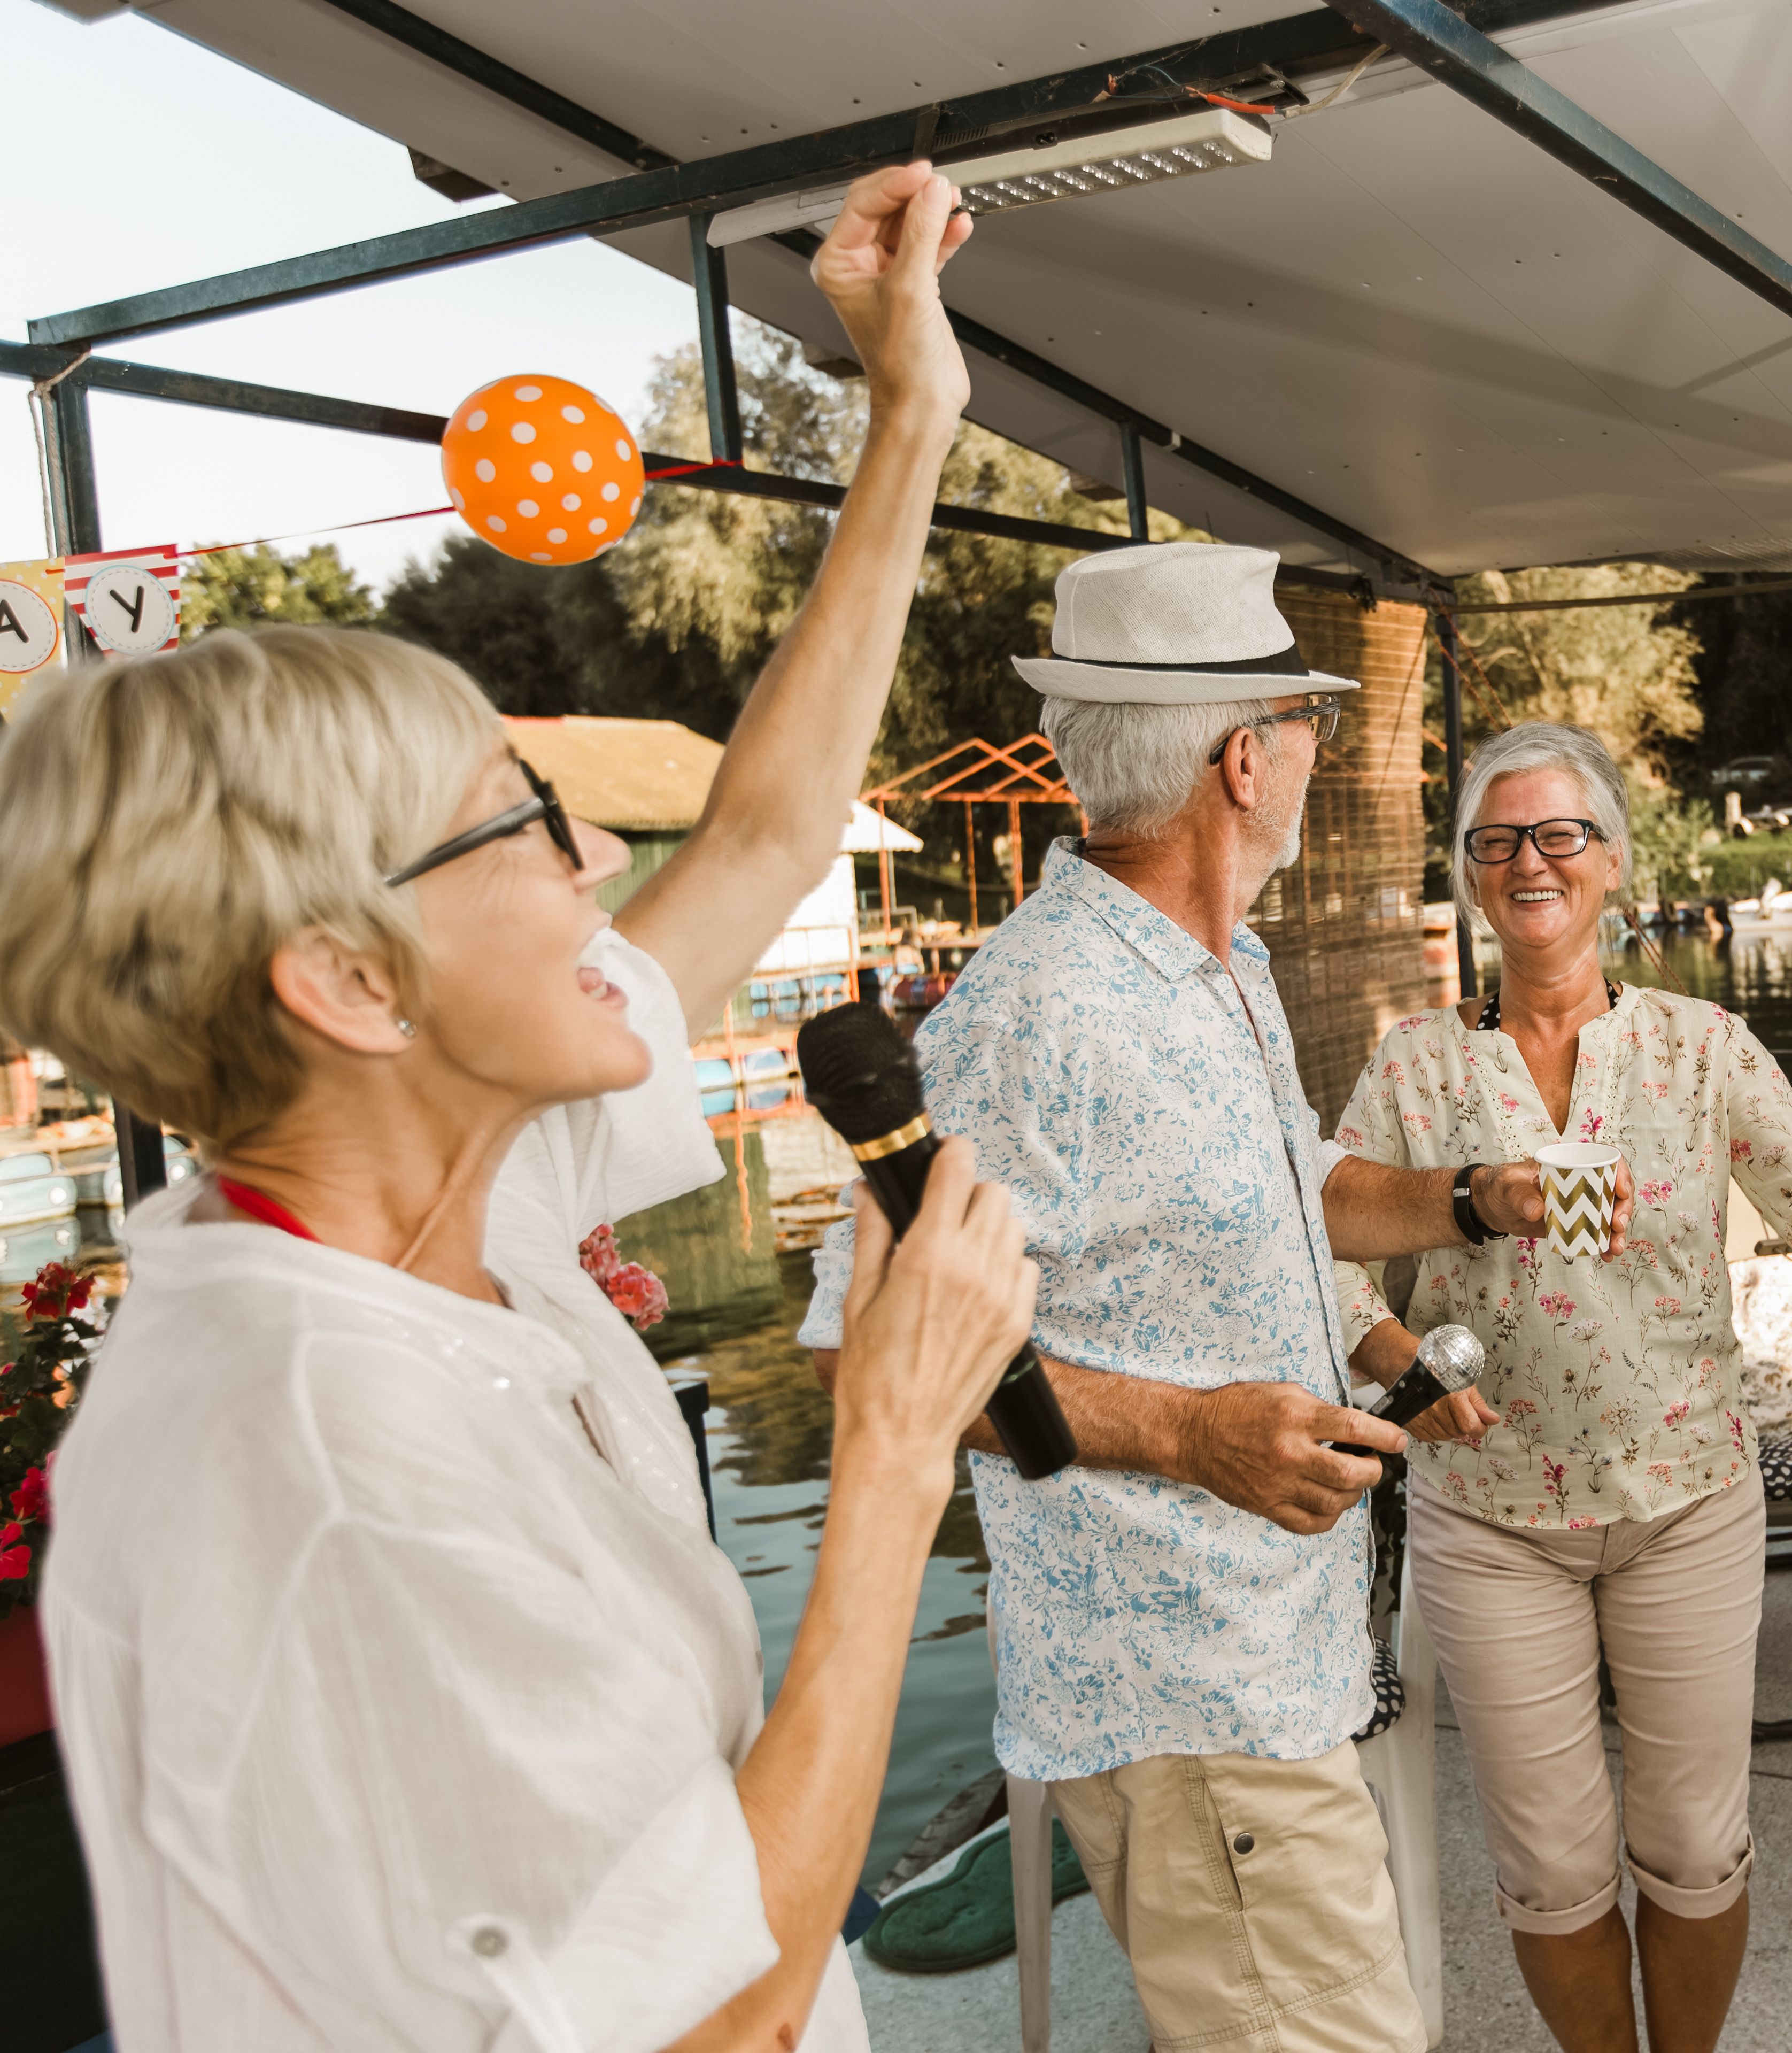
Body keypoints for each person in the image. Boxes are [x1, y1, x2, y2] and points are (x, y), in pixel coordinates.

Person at [6, 156, 1042, 2053]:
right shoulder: (326, 1463)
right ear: (345, 980)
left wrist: (913, 415)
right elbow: (707, 2022)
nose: (591, 855)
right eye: (518, 820)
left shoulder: (443, 1189)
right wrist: (894, 1454)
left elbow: (762, 827)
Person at [798, 544, 1623, 2053]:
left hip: (1273, 1663)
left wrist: (1456, 1203)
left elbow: (1292, 1194)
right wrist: (1192, 1437)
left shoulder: (1219, 965)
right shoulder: (1039, 1010)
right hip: (1183, 1699)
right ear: (1246, 762)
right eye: (1304, 719)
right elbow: (877, 1343)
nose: (1313, 748)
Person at [1324, 720, 1792, 2053]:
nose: (1532, 860)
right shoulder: (1415, 1064)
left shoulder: (1704, 1048)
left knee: (1697, 1846)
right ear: (1472, 876)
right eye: (1500, 841)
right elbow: (1327, 1235)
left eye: (1561, 834)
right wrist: (1396, 1360)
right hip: (1491, 1520)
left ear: (1614, 864)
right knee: (1550, 1865)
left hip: (1690, 1499)